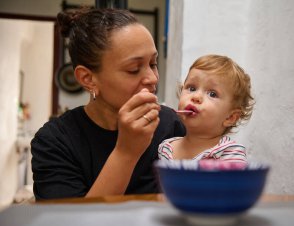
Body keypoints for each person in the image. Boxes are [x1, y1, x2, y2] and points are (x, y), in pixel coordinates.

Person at [31, 7, 185, 200]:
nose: (152, 78)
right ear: (88, 79)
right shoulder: (54, 141)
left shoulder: (171, 125)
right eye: (134, 69)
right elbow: (68, 224)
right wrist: (126, 151)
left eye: (153, 64)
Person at [158, 54, 254, 162]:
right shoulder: (166, 149)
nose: (196, 97)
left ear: (230, 118)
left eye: (212, 94)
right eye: (192, 88)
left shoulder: (230, 153)